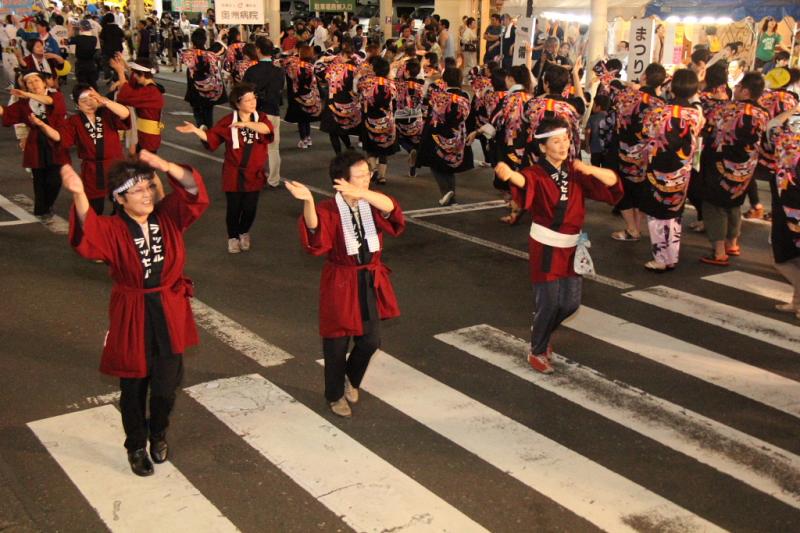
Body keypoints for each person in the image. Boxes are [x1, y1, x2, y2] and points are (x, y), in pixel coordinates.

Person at [62, 149, 209, 476]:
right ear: (120, 198)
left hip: (170, 309)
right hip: (133, 311)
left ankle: (158, 432)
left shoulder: (169, 214)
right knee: (132, 387)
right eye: (138, 190)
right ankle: (136, 445)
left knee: (165, 387)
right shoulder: (113, 228)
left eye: (149, 187)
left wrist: (165, 166)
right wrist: (79, 195)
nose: (147, 195)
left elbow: (195, 193)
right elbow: (90, 235)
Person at [494, 118, 622, 373]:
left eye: (565, 140)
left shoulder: (576, 170)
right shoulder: (536, 172)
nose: (563, 145)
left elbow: (611, 182)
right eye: (556, 141)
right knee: (550, 303)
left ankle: (542, 329)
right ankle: (537, 350)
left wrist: (590, 169)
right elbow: (525, 182)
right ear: (543, 148)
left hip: (573, 245)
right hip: (546, 246)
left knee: (571, 304)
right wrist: (510, 175)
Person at [285, 150, 405, 417]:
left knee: (371, 340)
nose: (366, 179)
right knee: (337, 343)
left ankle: (350, 377)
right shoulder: (329, 209)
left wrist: (361, 192)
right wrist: (308, 203)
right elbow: (316, 234)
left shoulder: (370, 202)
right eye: (359, 175)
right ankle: (334, 394)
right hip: (341, 280)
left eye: (367, 174)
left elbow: (392, 210)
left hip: (369, 277)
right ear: (341, 180)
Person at [176, 83, 273, 253]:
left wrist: (246, 125)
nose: (252, 102)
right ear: (237, 103)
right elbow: (212, 137)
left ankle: (244, 232)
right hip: (233, 172)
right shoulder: (228, 121)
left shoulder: (261, 118)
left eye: (253, 98)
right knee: (234, 208)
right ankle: (232, 237)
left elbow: (266, 130)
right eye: (248, 100)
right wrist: (195, 130)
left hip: (254, 172)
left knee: (250, 208)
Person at [637, 68, 705, 272]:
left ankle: (661, 257)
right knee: (674, 212)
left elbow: (645, 135)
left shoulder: (657, 112)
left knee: (657, 214)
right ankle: (671, 255)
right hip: (682, 170)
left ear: (672, 87)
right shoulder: (696, 114)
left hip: (658, 168)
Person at [699, 71, 769, 266]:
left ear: (745, 91)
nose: (735, 89)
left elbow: (707, 121)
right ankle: (732, 243)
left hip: (721, 164)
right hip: (746, 167)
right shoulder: (763, 113)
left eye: (737, 87)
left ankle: (719, 251)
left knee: (715, 205)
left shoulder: (727, 109)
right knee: (735, 202)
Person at [610, 62, 667, 242]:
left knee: (622, 190)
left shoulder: (626, 96)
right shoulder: (661, 104)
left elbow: (612, 100)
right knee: (641, 190)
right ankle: (637, 227)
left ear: (644, 77)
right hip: (647, 155)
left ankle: (631, 228)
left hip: (623, 152)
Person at [469, 65, 533, 221]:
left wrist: (476, 132)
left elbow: (493, 124)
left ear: (511, 79)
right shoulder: (531, 98)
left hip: (509, 145)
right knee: (524, 177)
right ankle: (521, 208)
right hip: (528, 146)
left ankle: (515, 212)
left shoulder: (509, 100)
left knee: (509, 179)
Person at [0, 71, 67, 217]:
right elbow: (6, 113)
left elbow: (49, 102)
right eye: (29, 82)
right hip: (36, 141)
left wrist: (27, 95)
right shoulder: (23, 104)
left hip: (55, 140)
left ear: (44, 82)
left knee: (55, 179)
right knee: (39, 178)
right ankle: (41, 209)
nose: (33, 84)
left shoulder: (56, 95)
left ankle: (47, 204)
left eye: (36, 80)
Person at [58, 85, 131, 215]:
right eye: (83, 101)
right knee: (94, 206)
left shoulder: (107, 113)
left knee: (121, 203)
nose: (89, 103)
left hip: (114, 165)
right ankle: (94, 230)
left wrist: (105, 101)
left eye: (92, 99)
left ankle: (119, 228)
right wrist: (43, 126)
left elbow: (125, 113)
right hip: (92, 168)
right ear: (77, 105)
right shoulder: (74, 121)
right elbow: (62, 139)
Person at [417, 67, 473, 205]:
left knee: (436, 165)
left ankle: (446, 192)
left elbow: (431, 116)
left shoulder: (439, 97)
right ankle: (451, 195)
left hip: (439, 135)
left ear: (445, 80)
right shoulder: (465, 96)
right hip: (458, 136)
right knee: (450, 166)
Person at [769, 106, 800, 319]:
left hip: (790, 205)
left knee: (783, 257)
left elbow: (771, 127)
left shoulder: (788, 141)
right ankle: (797, 301)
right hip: (788, 205)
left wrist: (791, 111)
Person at [243, 37, 284, 189]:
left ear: (258, 50)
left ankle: (255, 176)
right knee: (273, 148)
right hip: (273, 111)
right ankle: (274, 180)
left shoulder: (252, 71)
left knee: (254, 147)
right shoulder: (278, 71)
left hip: (256, 113)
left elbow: (244, 92)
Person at [112, 56, 165, 154]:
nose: (134, 77)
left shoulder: (151, 92)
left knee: (146, 165)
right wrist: (124, 64)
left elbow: (125, 95)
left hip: (148, 137)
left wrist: (120, 72)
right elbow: (131, 83)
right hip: (143, 134)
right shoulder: (149, 88)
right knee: (141, 162)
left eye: (136, 74)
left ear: (142, 74)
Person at [358, 56, 397, 185]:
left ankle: (373, 169)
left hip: (369, 118)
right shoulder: (391, 84)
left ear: (374, 69)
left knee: (370, 147)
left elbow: (359, 96)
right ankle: (382, 176)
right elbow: (394, 101)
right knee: (383, 148)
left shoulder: (365, 82)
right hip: (386, 120)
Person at [182, 28, 227, 131]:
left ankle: (201, 124)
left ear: (192, 41)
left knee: (197, 109)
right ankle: (208, 134)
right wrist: (220, 35)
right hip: (209, 89)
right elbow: (219, 47)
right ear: (205, 40)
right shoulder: (210, 54)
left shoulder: (188, 54)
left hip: (194, 89)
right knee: (208, 111)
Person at [319, 42, 360, 156]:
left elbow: (318, 70)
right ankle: (349, 146)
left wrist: (324, 59)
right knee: (343, 127)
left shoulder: (334, 68)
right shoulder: (356, 69)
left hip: (333, 102)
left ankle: (338, 153)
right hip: (348, 103)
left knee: (333, 131)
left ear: (342, 55)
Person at [284, 44, 322, 149]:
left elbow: (291, 77)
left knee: (301, 119)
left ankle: (303, 140)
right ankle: (308, 138)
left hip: (298, 95)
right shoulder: (311, 66)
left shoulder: (294, 66)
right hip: (310, 95)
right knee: (307, 119)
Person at [395, 59, 425, 176]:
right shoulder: (422, 86)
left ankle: (409, 149)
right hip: (416, 119)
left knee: (400, 137)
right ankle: (412, 169)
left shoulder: (398, 85)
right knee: (417, 140)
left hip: (401, 119)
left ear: (406, 71)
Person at [70, 19, 99, 87]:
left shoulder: (78, 38)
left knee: (82, 83)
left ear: (81, 28)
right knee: (92, 82)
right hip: (91, 63)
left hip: (80, 63)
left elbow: (67, 41)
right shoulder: (94, 39)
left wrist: (71, 29)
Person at [585, 94, 610, 167]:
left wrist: (587, 146)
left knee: (595, 167)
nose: (592, 106)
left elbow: (587, 132)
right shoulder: (611, 118)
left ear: (598, 107)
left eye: (594, 104)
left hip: (595, 148)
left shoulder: (592, 118)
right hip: (606, 150)